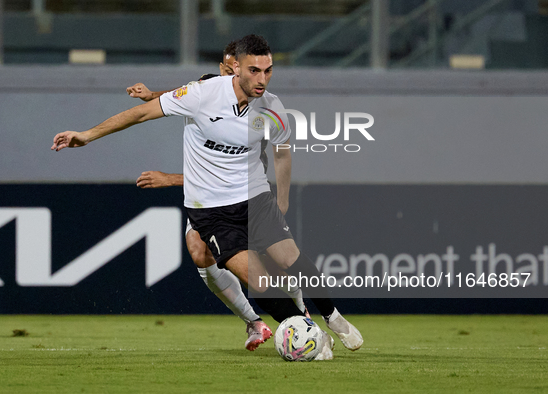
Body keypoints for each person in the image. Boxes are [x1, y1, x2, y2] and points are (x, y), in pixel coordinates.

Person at [51, 34, 362, 360]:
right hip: (211, 209)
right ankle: (304, 333)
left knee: (289, 258)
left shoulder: (271, 106)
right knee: (255, 275)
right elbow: (141, 114)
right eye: (254, 71)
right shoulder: (202, 94)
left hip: (254, 195)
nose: (262, 79)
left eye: (268, 71)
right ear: (235, 68)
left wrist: (281, 198)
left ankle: (332, 316)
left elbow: (282, 152)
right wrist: (86, 135)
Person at [126, 40, 306, 351]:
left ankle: (301, 316)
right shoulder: (208, 90)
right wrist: (152, 94)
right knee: (199, 251)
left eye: (230, 69)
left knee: (271, 263)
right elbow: (179, 96)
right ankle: (254, 321)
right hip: (208, 202)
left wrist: (170, 179)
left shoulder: (257, 109)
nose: (225, 75)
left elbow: (238, 171)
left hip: (245, 194)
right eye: (223, 69)